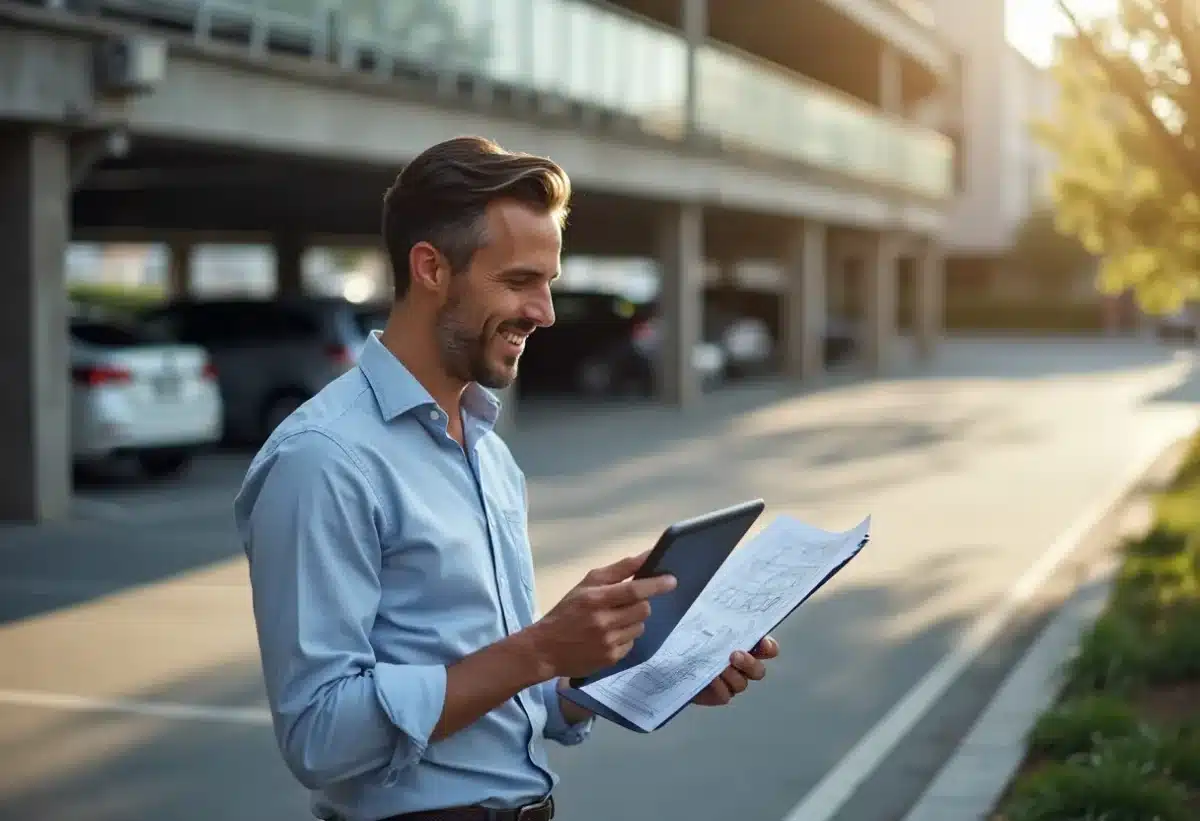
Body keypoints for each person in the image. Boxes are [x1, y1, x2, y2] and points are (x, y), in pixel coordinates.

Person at [233, 136, 780, 821]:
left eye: (547, 282)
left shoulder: (488, 451)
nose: (544, 312)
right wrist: (540, 645)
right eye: (521, 281)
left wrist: (641, 668)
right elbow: (318, 734)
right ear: (431, 268)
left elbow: (505, 697)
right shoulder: (323, 458)